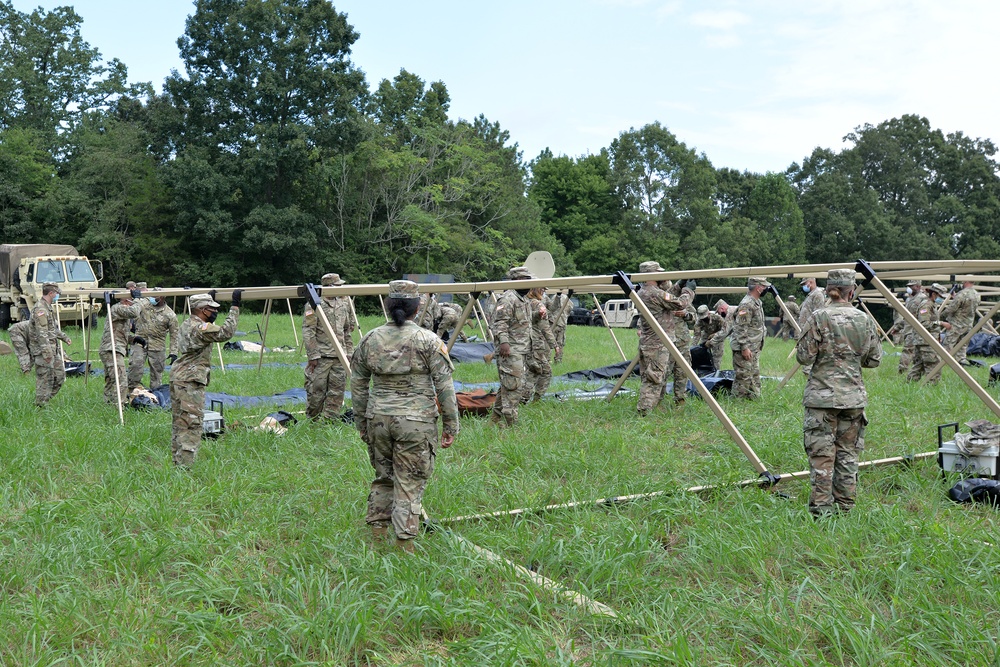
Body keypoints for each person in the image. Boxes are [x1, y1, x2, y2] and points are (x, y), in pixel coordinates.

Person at [350, 280, 459, 552]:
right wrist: (451, 425)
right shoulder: (428, 340)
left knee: (383, 476)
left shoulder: (370, 339)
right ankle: (404, 546)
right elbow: (444, 387)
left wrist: (361, 422)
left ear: (388, 306)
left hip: (378, 419)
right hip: (415, 422)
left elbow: (359, 385)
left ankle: (377, 537)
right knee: (409, 481)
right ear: (417, 307)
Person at [796, 269, 881, 517]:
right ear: (851, 291)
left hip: (821, 398)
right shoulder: (863, 320)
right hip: (852, 398)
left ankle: (821, 512)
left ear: (827, 290)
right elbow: (874, 360)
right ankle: (845, 508)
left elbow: (804, 357)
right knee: (847, 455)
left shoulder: (818, 317)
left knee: (822, 457)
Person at [170, 291, 241, 467]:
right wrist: (235, 307)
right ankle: (185, 468)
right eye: (211, 309)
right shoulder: (200, 328)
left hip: (178, 377)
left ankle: (177, 463)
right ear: (202, 310)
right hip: (190, 381)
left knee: (180, 423)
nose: (214, 313)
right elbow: (225, 333)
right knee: (191, 425)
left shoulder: (187, 323)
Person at [635, 261, 686, 415]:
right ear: (653, 274)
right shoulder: (655, 293)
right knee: (654, 378)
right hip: (657, 344)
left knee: (652, 376)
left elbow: (668, 296)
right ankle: (644, 412)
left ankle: (652, 406)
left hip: (649, 342)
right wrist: (689, 291)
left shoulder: (643, 292)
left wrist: (679, 284)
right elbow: (680, 304)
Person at [303, 272, 355, 422]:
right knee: (316, 391)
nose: (340, 289)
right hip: (322, 356)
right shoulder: (315, 304)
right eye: (338, 286)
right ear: (329, 287)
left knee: (337, 392)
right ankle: (312, 420)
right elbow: (308, 331)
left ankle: (330, 421)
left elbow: (346, 331)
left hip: (340, 357)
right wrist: (313, 355)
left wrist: (349, 352)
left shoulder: (343, 304)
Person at [490, 266, 535, 426]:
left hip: (520, 349)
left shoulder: (523, 299)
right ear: (516, 281)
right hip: (511, 350)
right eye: (525, 280)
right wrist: (504, 343)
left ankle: (494, 421)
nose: (528, 284)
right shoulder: (508, 298)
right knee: (513, 388)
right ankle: (512, 425)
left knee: (507, 386)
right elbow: (500, 323)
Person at [29, 283, 72, 407]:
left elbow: (51, 329)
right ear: (51, 293)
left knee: (59, 376)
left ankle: (45, 399)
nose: (58, 296)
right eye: (57, 293)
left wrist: (64, 337)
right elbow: (41, 333)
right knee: (44, 379)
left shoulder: (48, 308)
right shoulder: (41, 309)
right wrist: (47, 353)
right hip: (44, 351)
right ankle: (40, 405)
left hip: (53, 349)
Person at [100, 288, 143, 405]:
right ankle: (120, 405)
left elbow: (119, 333)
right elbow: (134, 312)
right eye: (130, 300)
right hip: (111, 349)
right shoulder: (117, 308)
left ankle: (108, 402)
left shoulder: (122, 313)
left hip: (113, 347)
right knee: (121, 380)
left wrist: (133, 339)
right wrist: (138, 299)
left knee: (111, 379)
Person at [127, 293, 179, 390]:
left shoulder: (170, 314)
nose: (152, 298)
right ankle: (131, 391)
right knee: (135, 366)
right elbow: (134, 308)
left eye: (155, 296)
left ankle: (156, 394)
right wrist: (136, 298)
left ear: (162, 297)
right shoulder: (144, 305)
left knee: (156, 373)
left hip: (157, 346)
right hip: (140, 342)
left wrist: (173, 352)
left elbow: (174, 334)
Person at [731, 277, 770, 400]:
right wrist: (744, 347)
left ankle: (754, 400)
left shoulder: (756, 302)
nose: (766, 289)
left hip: (754, 347)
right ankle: (737, 403)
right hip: (746, 347)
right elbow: (740, 327)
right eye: (764, 287)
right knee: (743, 377)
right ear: (758, 288)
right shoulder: (747, 304)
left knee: (753, 375)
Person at [907, 283, 950, 384]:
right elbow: (924, 323)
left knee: (919, 365)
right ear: (934, 294)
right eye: (940, 296)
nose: (941, 299)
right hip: (926, 342)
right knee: (934, 365)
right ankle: (932, 386)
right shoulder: (926, 305)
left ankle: (909, 385)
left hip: (924, 340)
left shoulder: (930, 304)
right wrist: (941, 323)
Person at [523, 286, 557, 403]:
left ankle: (526, 398)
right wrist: (554, 345)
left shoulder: (522, 301)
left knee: (533, 371)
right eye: (542, 289)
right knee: (541, 371)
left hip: (524, 343)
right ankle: (530, 398)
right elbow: (545, 328)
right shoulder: (537, 304)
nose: (543, 292)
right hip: (535, 344)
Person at [940, 280, 980, 365]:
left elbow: (953, 307)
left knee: (949, 343)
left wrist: (941, 314)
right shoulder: (977, 295)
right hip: (968, 324)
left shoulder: (962, 294)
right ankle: (961, 361)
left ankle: (945, 361)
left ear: (965, 282)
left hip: (957, 323)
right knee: (962, 344)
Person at [798, 277, 826, 376]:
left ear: (810, 282)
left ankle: (810, 377)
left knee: (810, 356)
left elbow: (818, 314)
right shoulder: (811, 294)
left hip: (812, 331)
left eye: (804, 284)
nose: (804, 286)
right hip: (807, 330)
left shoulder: (817, 294)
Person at [544, 291, 570, 363]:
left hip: (554, 321)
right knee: (558, 342)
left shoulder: (553, 298)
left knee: (551, 341)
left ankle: (548, 359)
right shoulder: (566, 299)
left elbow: (550, 309)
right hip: (560, 322)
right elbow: (569, 309)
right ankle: (557, 359)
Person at [706, 300, 732, 371]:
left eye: (719, 312)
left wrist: (711, 342)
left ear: (722, 309)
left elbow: (724, 332)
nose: (720, 314)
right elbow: (730, 330)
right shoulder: (731, 311)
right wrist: (715, 334)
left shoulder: (730, 313)